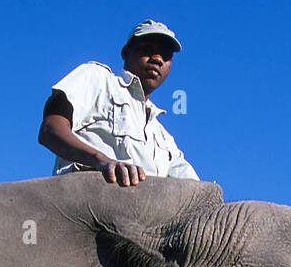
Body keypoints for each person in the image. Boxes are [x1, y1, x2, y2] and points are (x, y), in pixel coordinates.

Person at [38, 20, 198, 187]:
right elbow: (50, 129)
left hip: (140, 211)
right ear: (126, 52)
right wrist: (99, 159)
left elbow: (197, 188)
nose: (157, 59)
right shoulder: (98, 80)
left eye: (165, 55)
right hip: (85, 203)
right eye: (148, 49)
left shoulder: (164, 139)